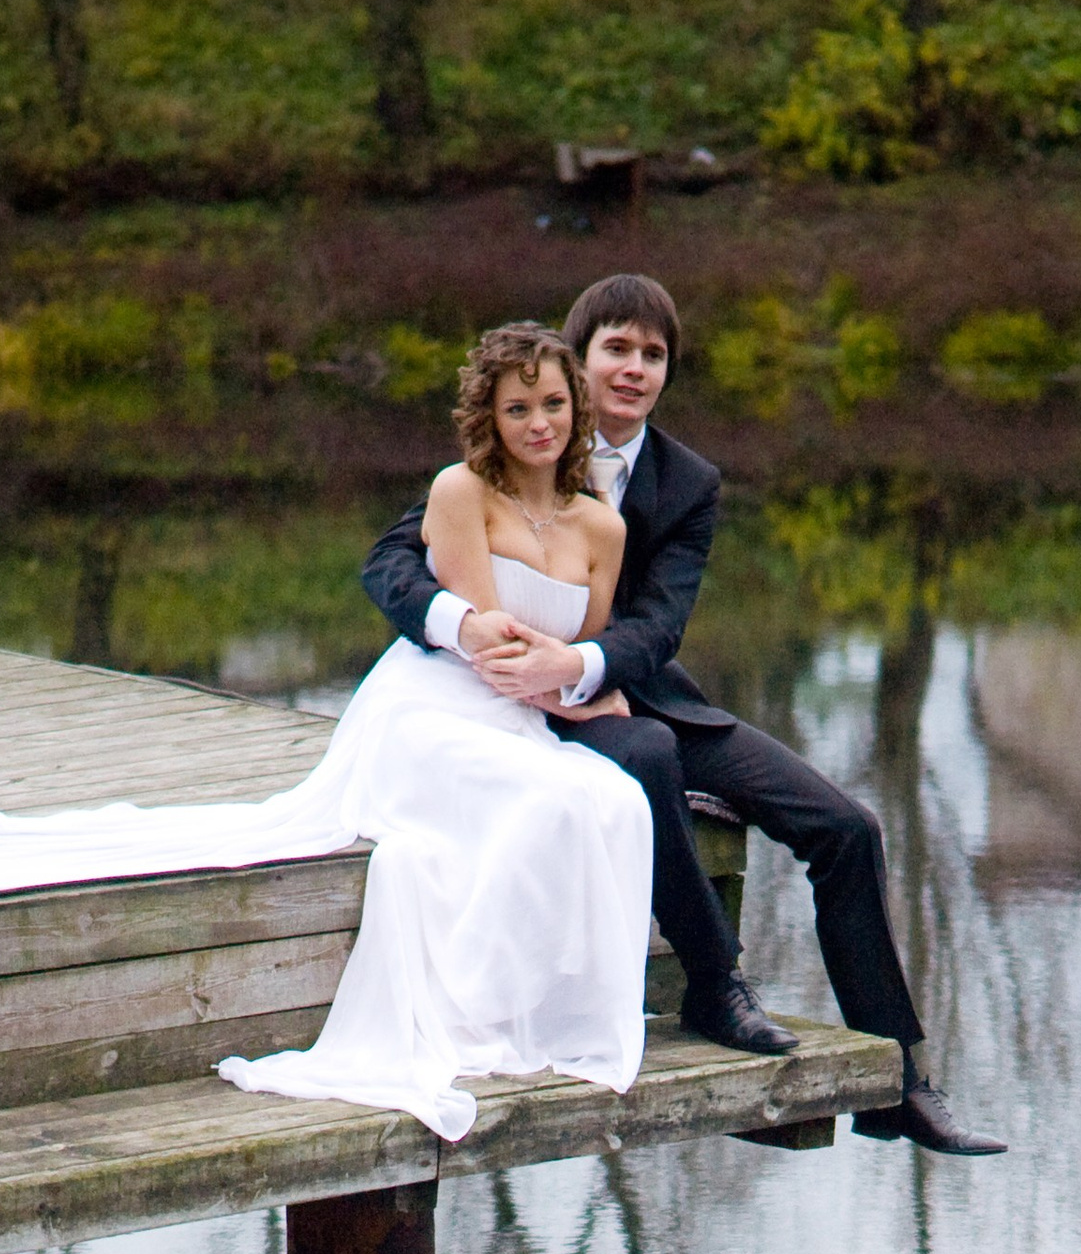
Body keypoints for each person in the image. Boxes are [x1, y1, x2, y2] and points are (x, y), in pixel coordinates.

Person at [0, 325, 657, 1150]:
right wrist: (553, 674)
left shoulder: (604, 525)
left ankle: (551, 1011)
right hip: (437, 708)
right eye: (520, 407)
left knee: (608, 799)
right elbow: (488, 635)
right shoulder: (457, 494)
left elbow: (589, 639)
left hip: (527, 717)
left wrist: (582, 681)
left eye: (554, 405)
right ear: (490, 415)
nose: (541, 424)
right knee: (564, 799)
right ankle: (484, 1016)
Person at [362, 272, 1004, 1160]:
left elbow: (660, 622)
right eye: (615, 349)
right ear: (574, 360)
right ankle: (717, 985)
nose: (633, 370)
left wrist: (583, 666)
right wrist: (470, 631)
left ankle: (900, 1082)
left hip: (634, 689)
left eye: (653, 354)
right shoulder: (517, 442)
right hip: (501, 700)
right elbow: (394, 566)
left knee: (847, 827)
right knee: (650, 754)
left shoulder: (688, 482)